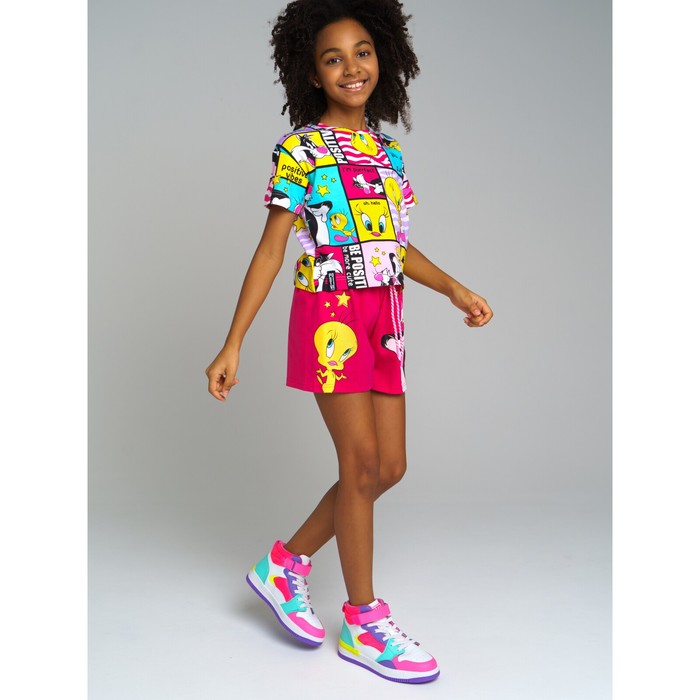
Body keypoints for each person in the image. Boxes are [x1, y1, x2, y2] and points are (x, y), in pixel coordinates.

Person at [205, 0, 493, 684]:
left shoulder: (389, 155)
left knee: (389, 467)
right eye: (332, 59)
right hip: (330, 315)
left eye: (362, 52)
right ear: (313, 74)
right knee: (360, 462)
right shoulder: (300, 150)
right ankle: (364, 622)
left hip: (384, 316)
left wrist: (453, 288)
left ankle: (284, 564)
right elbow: (272, 250)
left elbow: (395, 245)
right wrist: (233, 341)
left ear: (382, 58)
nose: (351, 67)